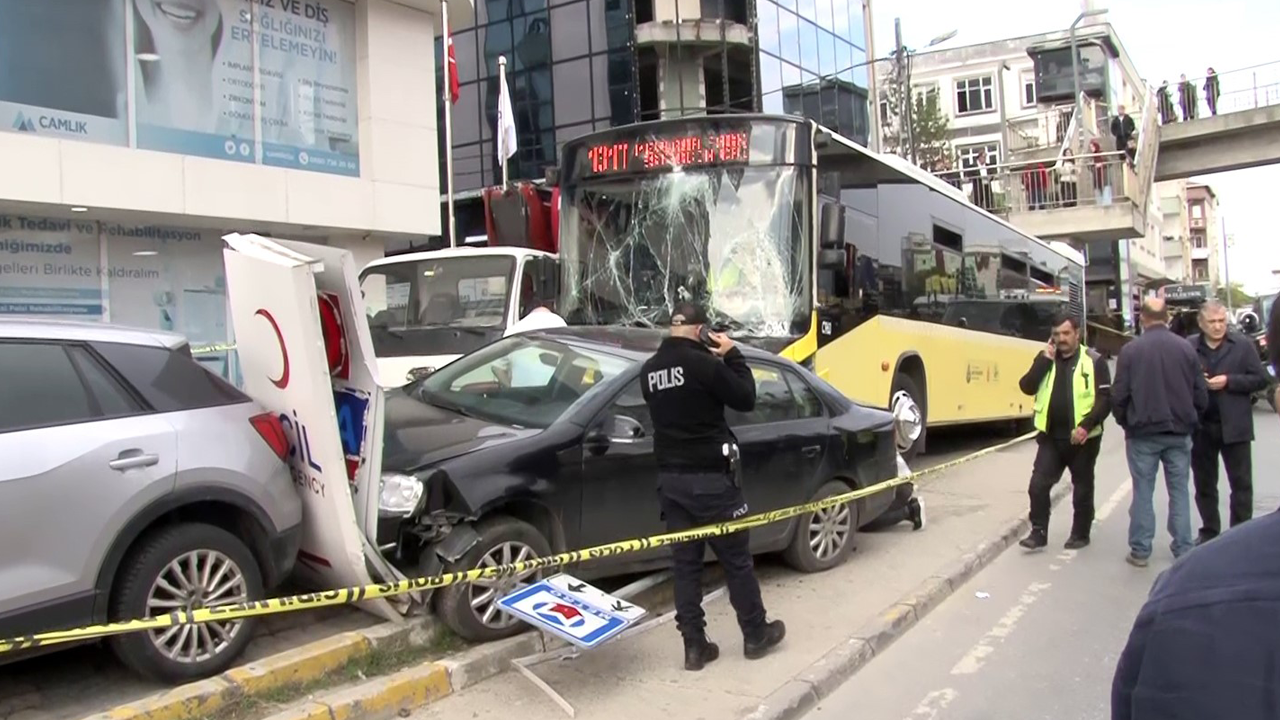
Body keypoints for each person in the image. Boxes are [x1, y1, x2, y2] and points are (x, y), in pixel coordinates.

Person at [640, 301, 785, 671]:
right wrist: (732, 354)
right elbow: (746, 397)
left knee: (685, 567)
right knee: (736, 561)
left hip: (671, 483)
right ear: (700, 330)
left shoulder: (649, 370)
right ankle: (755, 633)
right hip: (712, 481)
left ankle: (694, 646)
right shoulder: (704, 365)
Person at [1110, 510, 1280, 720]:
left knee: (1151, 492)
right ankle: (1180, 543)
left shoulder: (1182, 589)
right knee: (1178, 491)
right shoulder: (1183, 592)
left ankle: (1141, 547)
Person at [1111, 297, 1208, 566]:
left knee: (1143, 491)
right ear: (1167, 317)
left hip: (1142, 433)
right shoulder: (1186, 348)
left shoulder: (1130, 351)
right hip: (1178, 431)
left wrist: (1126, 421)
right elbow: (1200, 393)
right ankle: (1183, 547)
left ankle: (1140, 550)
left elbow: (1119, 394)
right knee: (1179, 491)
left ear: (1142, 318)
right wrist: (1192, 419)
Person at [1016, 315, 1111, 551]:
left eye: (1066, 333)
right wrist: (1043, 361)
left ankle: (1080, 533)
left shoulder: (1094, 361)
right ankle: (1038, 532)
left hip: (1083, 439)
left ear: (1077, 334)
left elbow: (1105, 399)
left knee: (1082, 487)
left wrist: (1086, 426)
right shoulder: (1046, 359)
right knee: (1037, 485)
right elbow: (1026, 387)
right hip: (1051, 438)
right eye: (1056, 334)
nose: (1061, 339)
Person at [1188, 300, 1268, 543]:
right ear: (1201, 323)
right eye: (1212, 322)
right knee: (1204, 485)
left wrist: (1229, 381)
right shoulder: (1189, 347)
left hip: (1235, 426)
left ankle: (1240, 535)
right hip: (1202, 426)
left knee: (1241, 485)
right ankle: (1209, 532)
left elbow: (1260, 379)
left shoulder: (1242, 345)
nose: (1217, 326)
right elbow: (1178, 379)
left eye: (1221, 321)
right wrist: (1197, 381)